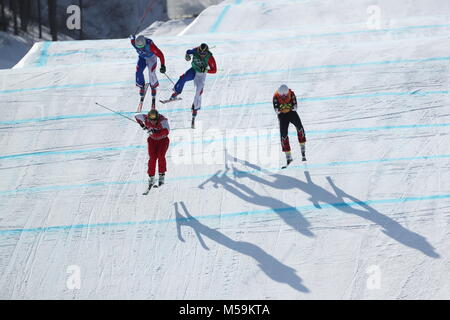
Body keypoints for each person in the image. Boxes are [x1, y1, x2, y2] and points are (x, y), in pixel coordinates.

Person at [168, 43, 217, 128]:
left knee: (199, 91)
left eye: (203, 54)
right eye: (200, 53)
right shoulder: (195, 50)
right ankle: (176, 92)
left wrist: (205, 70)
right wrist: (187, 56)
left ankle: (195, 108)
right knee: (183, 78)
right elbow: (188, 51)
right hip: (193, 70)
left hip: (201, 74)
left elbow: (214, 70)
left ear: (206, 52)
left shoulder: (210, 57)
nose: (202, 55)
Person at [135, 109, 170, 190]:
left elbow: (167, 131)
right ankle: (151, 177)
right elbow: (136, 116)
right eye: (151, 120)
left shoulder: (163, 121)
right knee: (152, 158)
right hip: (152, 141)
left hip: (163, 140)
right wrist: (142, 125)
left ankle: (161, 175)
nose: (153, 122)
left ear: (157, 118)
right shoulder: (146, 118)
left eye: (154, 120)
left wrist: (155, 132)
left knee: (161, 156)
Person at [273, 84, 306, 165]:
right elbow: (276, 109)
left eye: (285, 95)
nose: (284, 97)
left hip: (291, 113)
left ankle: (302, 146)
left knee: (300, 127)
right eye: (282, 96)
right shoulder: (275, 96)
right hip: (282, 116)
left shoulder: (291, 93)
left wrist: (293, 107)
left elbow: (295, 105)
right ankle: (288, 156)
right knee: (283, 135)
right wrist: (280, 109)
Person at [131, 34, 166, 110]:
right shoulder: (134, 43)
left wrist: (163, 65)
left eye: (142, 47)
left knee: (151, 72)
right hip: (142, 58)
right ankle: (141, 86)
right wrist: (132, 36)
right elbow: (132, 39)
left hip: (151, 58)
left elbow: (161, 55)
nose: (141, 48)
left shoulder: (151, 46)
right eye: (139, 47)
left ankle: (153, 87)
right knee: (138, 71)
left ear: (144, 44)